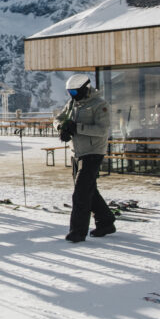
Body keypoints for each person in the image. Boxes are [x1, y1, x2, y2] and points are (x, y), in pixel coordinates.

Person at [55, 73, 117, 243]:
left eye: (75, 92)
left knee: (80, 194)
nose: (72, 96)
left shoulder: (100, 105)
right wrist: (62, 127)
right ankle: (105, 222)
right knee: (89, 190)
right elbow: (59, 118)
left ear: (85, 88)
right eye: (70, 93)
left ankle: (77, 232)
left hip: (93, 152)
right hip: (77, 152)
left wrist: (77, 127)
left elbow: (102, 130)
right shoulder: (73, 104)